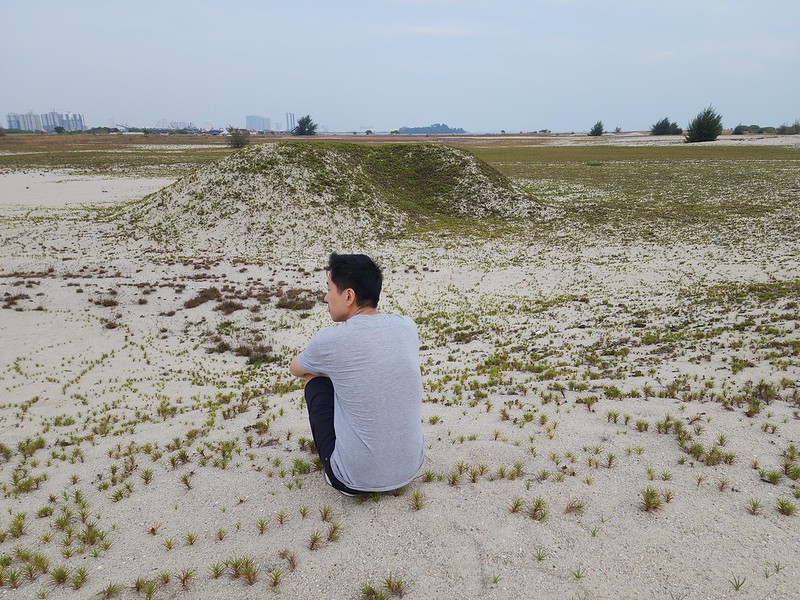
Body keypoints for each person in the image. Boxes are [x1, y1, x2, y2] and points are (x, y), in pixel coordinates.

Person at [289, 252, 425, 495]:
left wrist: (328, 367)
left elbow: (295, 368)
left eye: (329, 289)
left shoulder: (331, 339)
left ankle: (345, 464)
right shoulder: (407, 326)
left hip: (352, 479)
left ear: (348, 295)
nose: (325, 297)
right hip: (410, 469)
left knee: (314, 377)